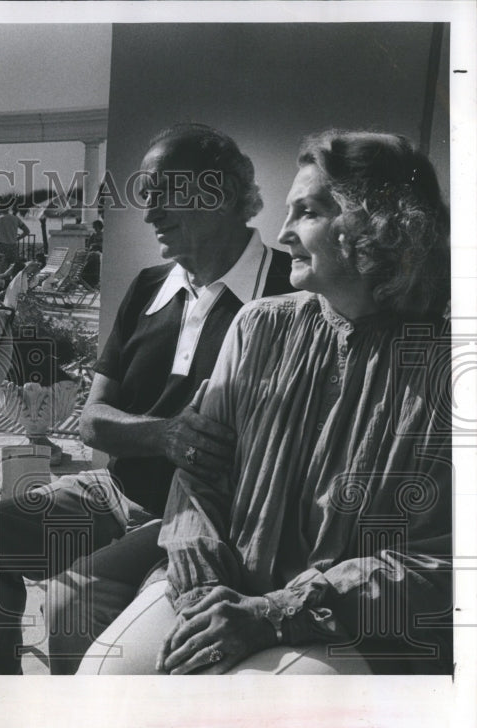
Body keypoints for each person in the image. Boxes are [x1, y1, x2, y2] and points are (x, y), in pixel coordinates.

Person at [0, 123, 293, 674]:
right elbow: (92, 421)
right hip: (114, 492)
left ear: (217, 193)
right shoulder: (150, 287)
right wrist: (162, 434)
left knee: (72, 603)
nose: (149, 213)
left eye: (163, 193)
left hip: (204, 516)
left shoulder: (287, 294)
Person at [78, 130, 452, 676]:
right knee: (107, 675)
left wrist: (278, 611)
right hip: (220, 586)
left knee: (273, 716)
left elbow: (446, 560)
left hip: (350, 624)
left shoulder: (448, 369)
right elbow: (198, 478)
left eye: (308, 212)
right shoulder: (259, 326)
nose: (283, 233)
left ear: (376, 224)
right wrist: (204, 585)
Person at [0, 204, 31, 270]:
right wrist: (17, 239)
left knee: (2, 268)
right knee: (13, 268)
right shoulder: (15, 218)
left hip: (2, 246)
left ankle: (4, 280)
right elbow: (27, 231)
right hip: (13, 246)